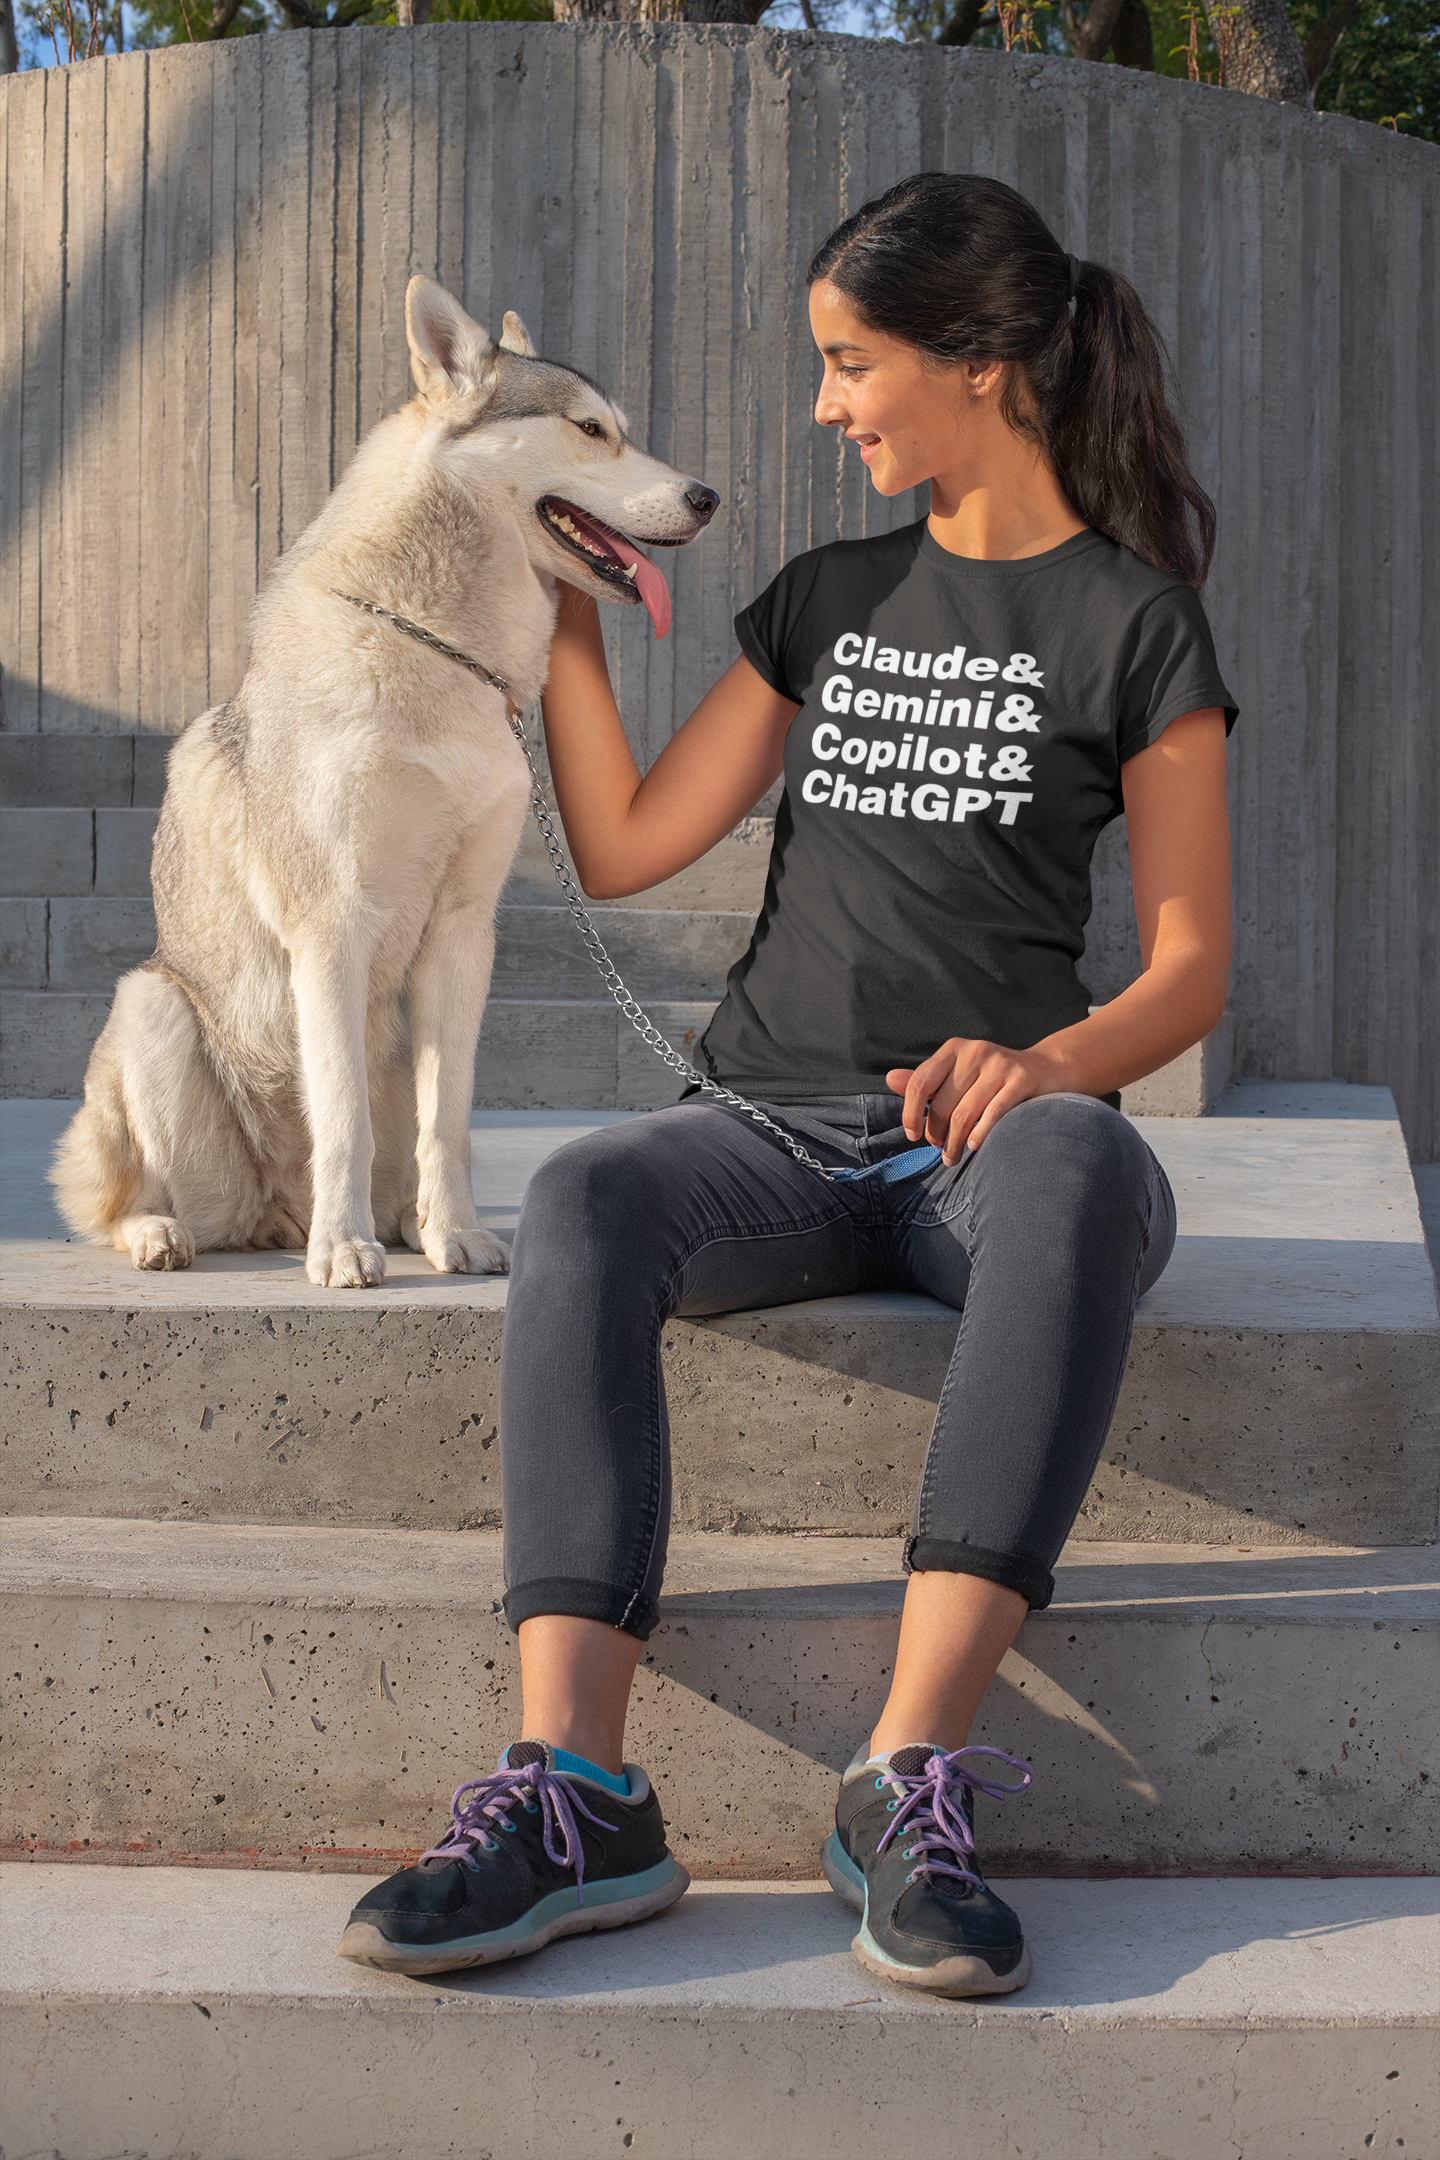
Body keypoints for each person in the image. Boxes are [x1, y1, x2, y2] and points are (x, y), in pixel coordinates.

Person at [338, 171, 1236, 1997]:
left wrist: (1047, 1067)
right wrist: (566, 587)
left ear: (979, 364)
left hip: (995, 1143)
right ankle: (577, 1791)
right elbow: (623, 843)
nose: (825, 406)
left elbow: (1192, 963)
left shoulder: (1135, 625)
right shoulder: (827, 597)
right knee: (588, 1191)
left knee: (1078, 1171)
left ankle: (903, 1783)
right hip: (767, 1129)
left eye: (850, 363)